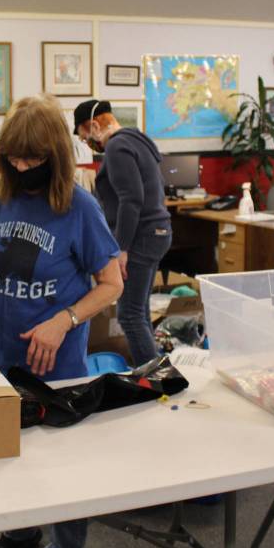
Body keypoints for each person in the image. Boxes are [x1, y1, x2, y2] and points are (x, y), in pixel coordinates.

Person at [0, 95, 123, 548]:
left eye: (33, 157)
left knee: (64, 475)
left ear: (56, 155)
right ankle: (19, 535)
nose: (22, 165)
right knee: (7, 460)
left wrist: (64, 321)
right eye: (13, 157)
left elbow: (111, 284)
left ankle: (67, 546)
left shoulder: (79, 208)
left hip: (57, 366)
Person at [73, 99, 172, 367]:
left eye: (84, 136)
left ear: (94, 125)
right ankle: (158, 372)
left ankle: (155, 382)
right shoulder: (137, 139)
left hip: (140, 237)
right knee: (138, 312)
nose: (87, 143)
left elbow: (131, 200)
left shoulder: (117, 146)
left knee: (128, 315)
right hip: (157, 232)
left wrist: (121, 249)